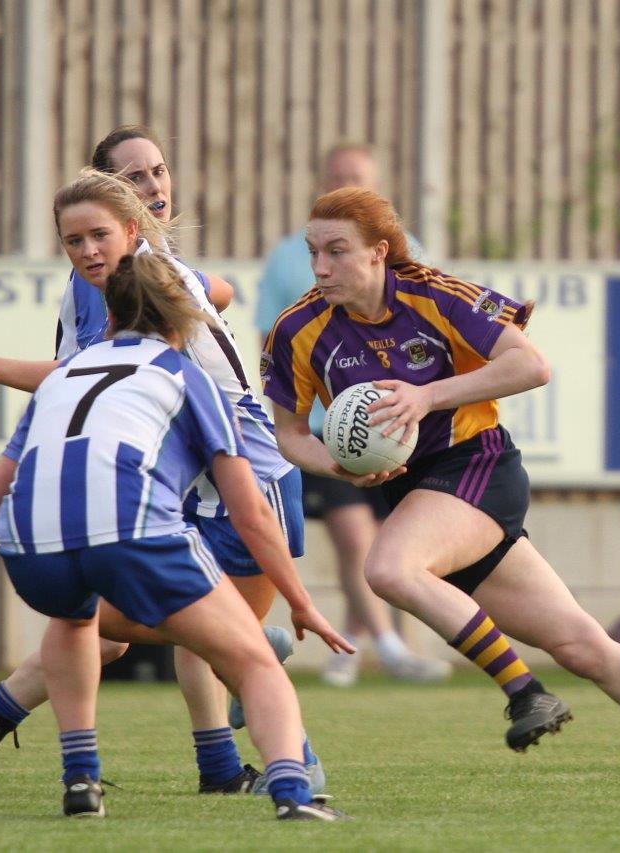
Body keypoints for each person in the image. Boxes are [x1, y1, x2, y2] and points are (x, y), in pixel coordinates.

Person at [263, 186, 620, 806]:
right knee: (585, 646)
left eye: (337, 251)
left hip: (477, 467)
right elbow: (290, 433)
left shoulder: (433, 293)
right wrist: (338, 467)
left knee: (389, 568)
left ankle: (524, 691)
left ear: (379, 251)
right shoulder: (300, 329)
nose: (320, 267)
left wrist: (428, 395)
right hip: (421, 498)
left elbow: (530, 366)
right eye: (314, 251)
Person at [0, 142, 326, 797]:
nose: (152, 186)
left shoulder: (150, 276)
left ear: (127, 225)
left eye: (157, 171)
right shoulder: (108, 280)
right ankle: (292, 780)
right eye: (133, 177)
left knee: (141, 628)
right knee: (218, 639)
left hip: (231, 460)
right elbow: (94, 371)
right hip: (184, 465)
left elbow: (135, 347)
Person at [255, 142, 447, 687]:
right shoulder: (289, 257)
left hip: (402, 429)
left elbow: (437, 335)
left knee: (395, 549)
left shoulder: (411, 254)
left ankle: (356, 642)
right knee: (353, 535)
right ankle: (385, 645)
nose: (324, 267)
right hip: (327, 428)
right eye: (339, 177)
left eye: (359, 178)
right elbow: (269, 340)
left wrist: (423, 401)